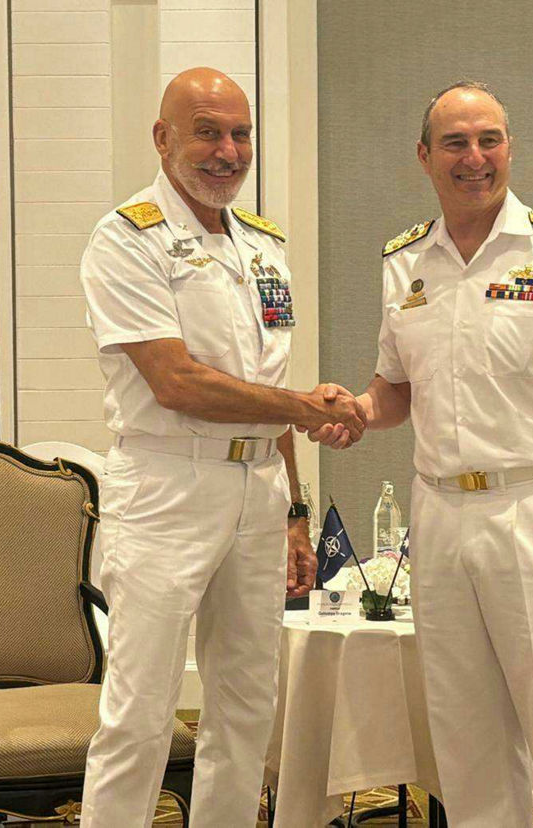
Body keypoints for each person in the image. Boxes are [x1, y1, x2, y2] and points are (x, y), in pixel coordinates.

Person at [310, 80, 533, 826]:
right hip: (439, 516)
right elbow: (396, 390)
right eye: (456, 143)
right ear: (425, 156)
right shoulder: (405, 262)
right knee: (464, 736)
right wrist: (358, 413)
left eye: (489, 139)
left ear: (509, 148)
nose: (475, 158)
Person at [78, 67, 363, 827]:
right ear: (163, 138)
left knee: (247, 704)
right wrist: (304, 409)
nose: (227, 152)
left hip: (259, 490)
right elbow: (177, 383)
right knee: (140, 711)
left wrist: (295, 510)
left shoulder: (263, 245)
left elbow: (265, 385)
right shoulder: (126, 239)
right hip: (166, 487)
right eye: (207, 132)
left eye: (240, 134)